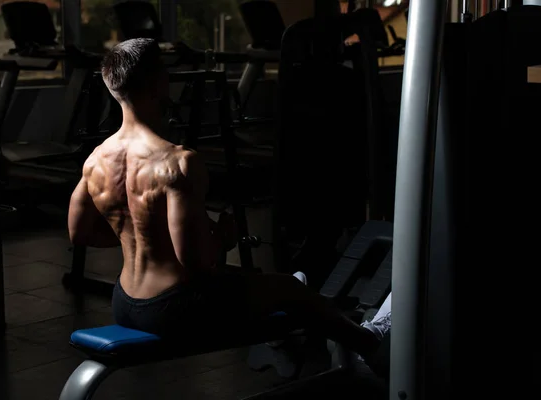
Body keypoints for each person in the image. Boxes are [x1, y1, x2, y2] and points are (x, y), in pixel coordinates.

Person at [67, 38, 391, 366]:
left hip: (124, 302)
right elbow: (196, 262)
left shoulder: (95, 160)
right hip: (171, 309)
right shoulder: (176, 163)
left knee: (262, 283)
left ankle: (289, 336)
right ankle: (371, 344)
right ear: (157, 82)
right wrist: (223, 238)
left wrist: (141, 235)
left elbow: (79, 233)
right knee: (292, 290)